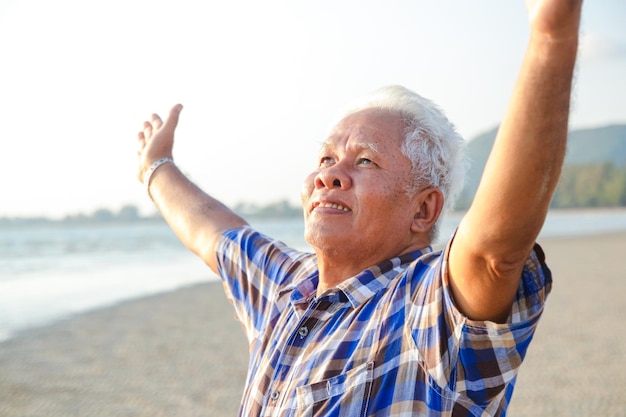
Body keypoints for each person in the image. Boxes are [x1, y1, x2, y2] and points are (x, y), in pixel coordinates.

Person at [135, 0, 582, 415]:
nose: (330, 175)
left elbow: (493, 253)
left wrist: (551, 38)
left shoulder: (426, 309)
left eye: (365, 161)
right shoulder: (286, 287)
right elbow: (211, 230)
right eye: (327, 158)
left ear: (423, 211)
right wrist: (156, 168)